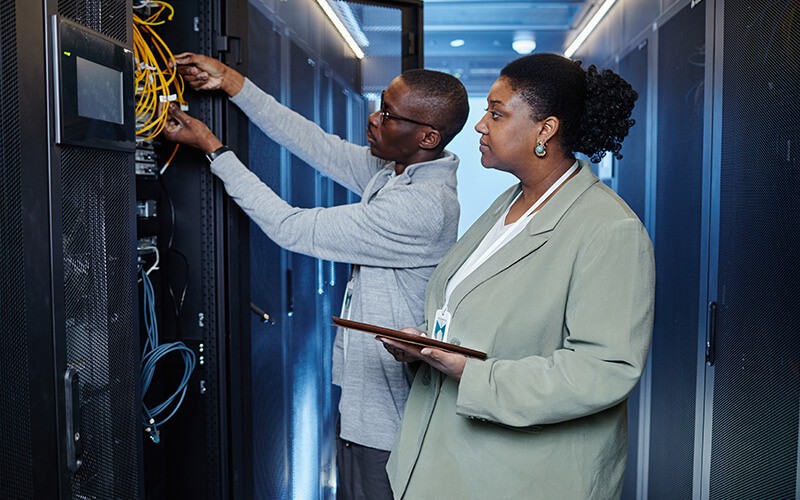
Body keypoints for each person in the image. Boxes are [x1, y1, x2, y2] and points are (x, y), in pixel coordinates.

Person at [161, 53, 469, 499]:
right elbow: (315, 145)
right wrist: (232, 82)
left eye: (388, 114)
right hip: (365, 404)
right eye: (380, 104)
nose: (374, 118)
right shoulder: (401, 172)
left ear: (427, 136)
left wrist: (213, 149)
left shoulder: (420, 206)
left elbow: (289, 227)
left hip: (387, 421)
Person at [380, 53, 655, 499]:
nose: (480, 125)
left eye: (497, 112)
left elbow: (603, 370)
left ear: (545, 129)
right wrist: (428, 346)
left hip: (519, 479)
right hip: (445, 463)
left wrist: (471, 373)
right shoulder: (508, 204)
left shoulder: (609, 229)